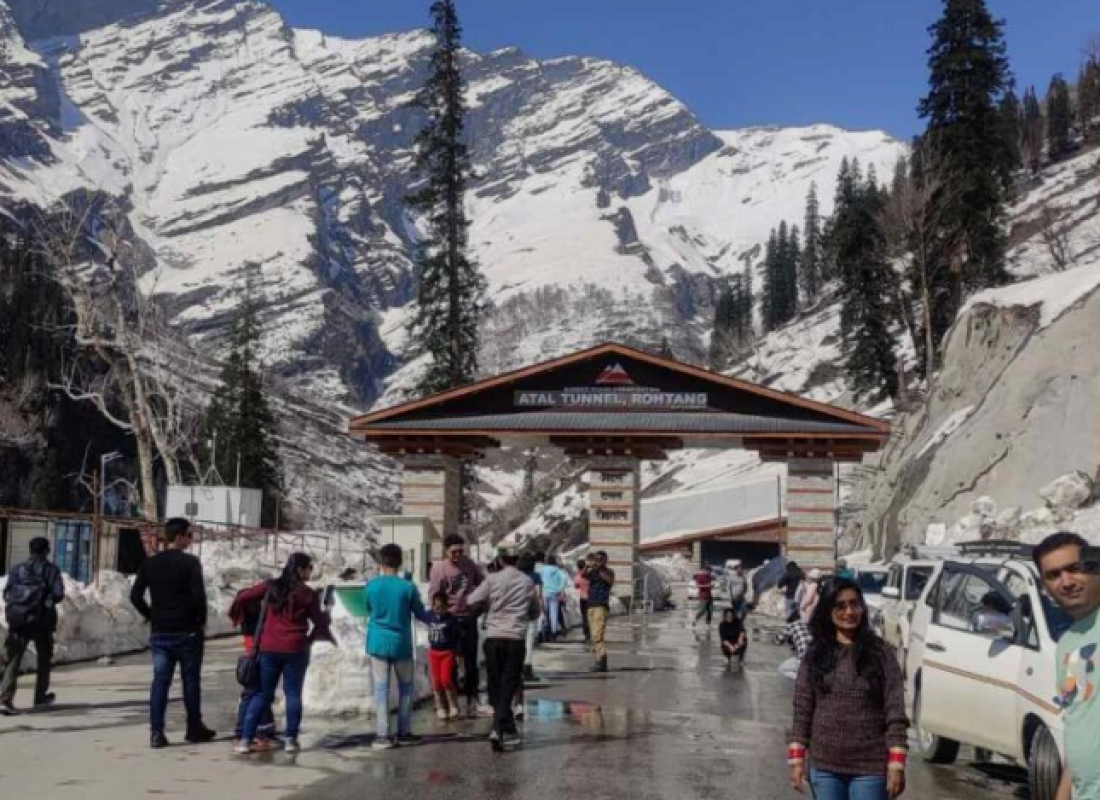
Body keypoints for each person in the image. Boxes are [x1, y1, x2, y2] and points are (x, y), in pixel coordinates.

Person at [789, 578, 908, 800]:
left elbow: (895, 710)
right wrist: (796, 759)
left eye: (854, 604)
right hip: (824, 767)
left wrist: (897, 763)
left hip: (871, 767)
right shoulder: (816, 654)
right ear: (828, 611)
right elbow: (803, 708)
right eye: (840, 606)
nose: (849, 612)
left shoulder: (880, 653)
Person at [234, 553, 332, 755]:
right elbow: (320, 622)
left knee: (262, 694)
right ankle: (291, 740)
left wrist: (242, 615)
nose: (310, 572)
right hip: (296, 648)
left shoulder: (271, 586)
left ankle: (245, 740)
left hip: (269, 648)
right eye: (309, 568)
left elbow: (243, 597)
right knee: (293, 694)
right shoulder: (308, 594)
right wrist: (310, 638)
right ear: (300, 570)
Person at [130, 518, 215, 749]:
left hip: (160, 632)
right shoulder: (190, 563)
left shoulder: (150, 564)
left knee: (160, 682)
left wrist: (150, 614)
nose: (191, 539)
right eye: (189, 535)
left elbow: (135, 596)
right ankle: (194, 727)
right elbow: (198, 596)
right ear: (178, 536)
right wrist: (201, 621)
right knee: (190, 681)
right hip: (187, 631)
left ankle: (156, 732)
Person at [1033, 532, 1100, 800]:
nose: (1067, 582)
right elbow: (1078, 721)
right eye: (1054, 575)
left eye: (1074, 568)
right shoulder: (1068, 644)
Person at [467, 550, 540, 752]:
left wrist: (489, 605)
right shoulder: (527, 581)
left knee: (495, 683)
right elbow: (535, 611)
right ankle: (501, 726)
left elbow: (472, 599)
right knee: (509, 682)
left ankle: (500, 725)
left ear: (500, 559)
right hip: (515, 637)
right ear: (517, 559)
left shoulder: (492, 579)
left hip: (494, 637)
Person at [365, 544, 429, 749]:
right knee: (406, 688)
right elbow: (420, 613)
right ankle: (404, 732)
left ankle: (382, 734)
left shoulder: (371, 586)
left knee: (381, 688)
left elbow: (367, 609)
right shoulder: (407, 588)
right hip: (401, 644)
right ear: (400, 562)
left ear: (381, 562)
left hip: (377, 643)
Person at [1, 536, 65, 715]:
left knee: (13, 659)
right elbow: (59, 594)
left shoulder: (17, 569)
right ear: (46, 551)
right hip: (41, 622)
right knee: (44, 658)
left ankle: (6, 697)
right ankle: (40, 696)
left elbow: (7, 594)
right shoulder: (51, 570)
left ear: (30, 550)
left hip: (19, 621)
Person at [429, 534, 487, 717]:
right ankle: (449, 702)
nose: (457, 555)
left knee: (471, 661)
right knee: (451, 661)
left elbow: (484, 584)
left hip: (467, 616)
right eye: (454, 552)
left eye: (461, 551)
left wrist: (478, 606)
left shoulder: (469, 565)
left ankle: (473, 699)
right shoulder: (439, 569)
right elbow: (434, 595)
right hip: (449, 619)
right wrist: (439, 617)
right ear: (446, 551)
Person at [227, 586, 278, 751]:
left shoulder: (243, 617)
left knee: (248, 695)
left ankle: (241, 731)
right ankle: (262, 734)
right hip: (260, 656)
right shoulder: (260, 618)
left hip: (248, 656)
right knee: (260, 696)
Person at [426, 591, 462, 721]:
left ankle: (453, 705)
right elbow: (419, 614)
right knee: (436, 681)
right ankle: (440, 706)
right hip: (433, 653)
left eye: (441, 607)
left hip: (447, 653)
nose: (438, 610)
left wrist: (457, 653)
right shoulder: (429, 616)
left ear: (446, 607)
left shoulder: (451, 619)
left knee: (446, 679)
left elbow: (457, 637)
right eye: (435, 607)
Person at [584, 551, 616, 673]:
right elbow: (583, 575)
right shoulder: (592, 571)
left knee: (598, 635)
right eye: (596, 559)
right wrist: (587, 565)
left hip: (601, 606)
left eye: (600, 559)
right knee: (593, 636)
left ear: (605, 560)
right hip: (591, 605)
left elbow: (610, 581)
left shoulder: (608, 572)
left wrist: (599, 568)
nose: (597, 561)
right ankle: (599, 660)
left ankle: (602, 660)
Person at [518, 553, 543, 682]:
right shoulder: (535, 576)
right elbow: (538, 594)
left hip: (517, 612)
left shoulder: (517, 575)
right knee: (529, 641)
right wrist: (539, 608)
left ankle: (517, 668)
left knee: (518, 641)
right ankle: (527, 668)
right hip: (530, 612)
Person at [539, 555, 569, 641]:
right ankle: (553, 634)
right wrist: (560, 588)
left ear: (547, 561)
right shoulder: (558, 570)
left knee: (545, 613)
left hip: (544, 592)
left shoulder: (542, 569)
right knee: (554, 613)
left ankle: (545, 631)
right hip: (555, 593)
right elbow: (564, 578)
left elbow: (538, 578)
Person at [574, 559, 591, 645]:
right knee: (590, 617)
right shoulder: (590, 574)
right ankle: (591, 634)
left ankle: (587, 635)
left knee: (584, 618)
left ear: (578, 567)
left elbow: (576, 586)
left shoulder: (578, 575)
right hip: (591, 598)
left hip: (583, 598)